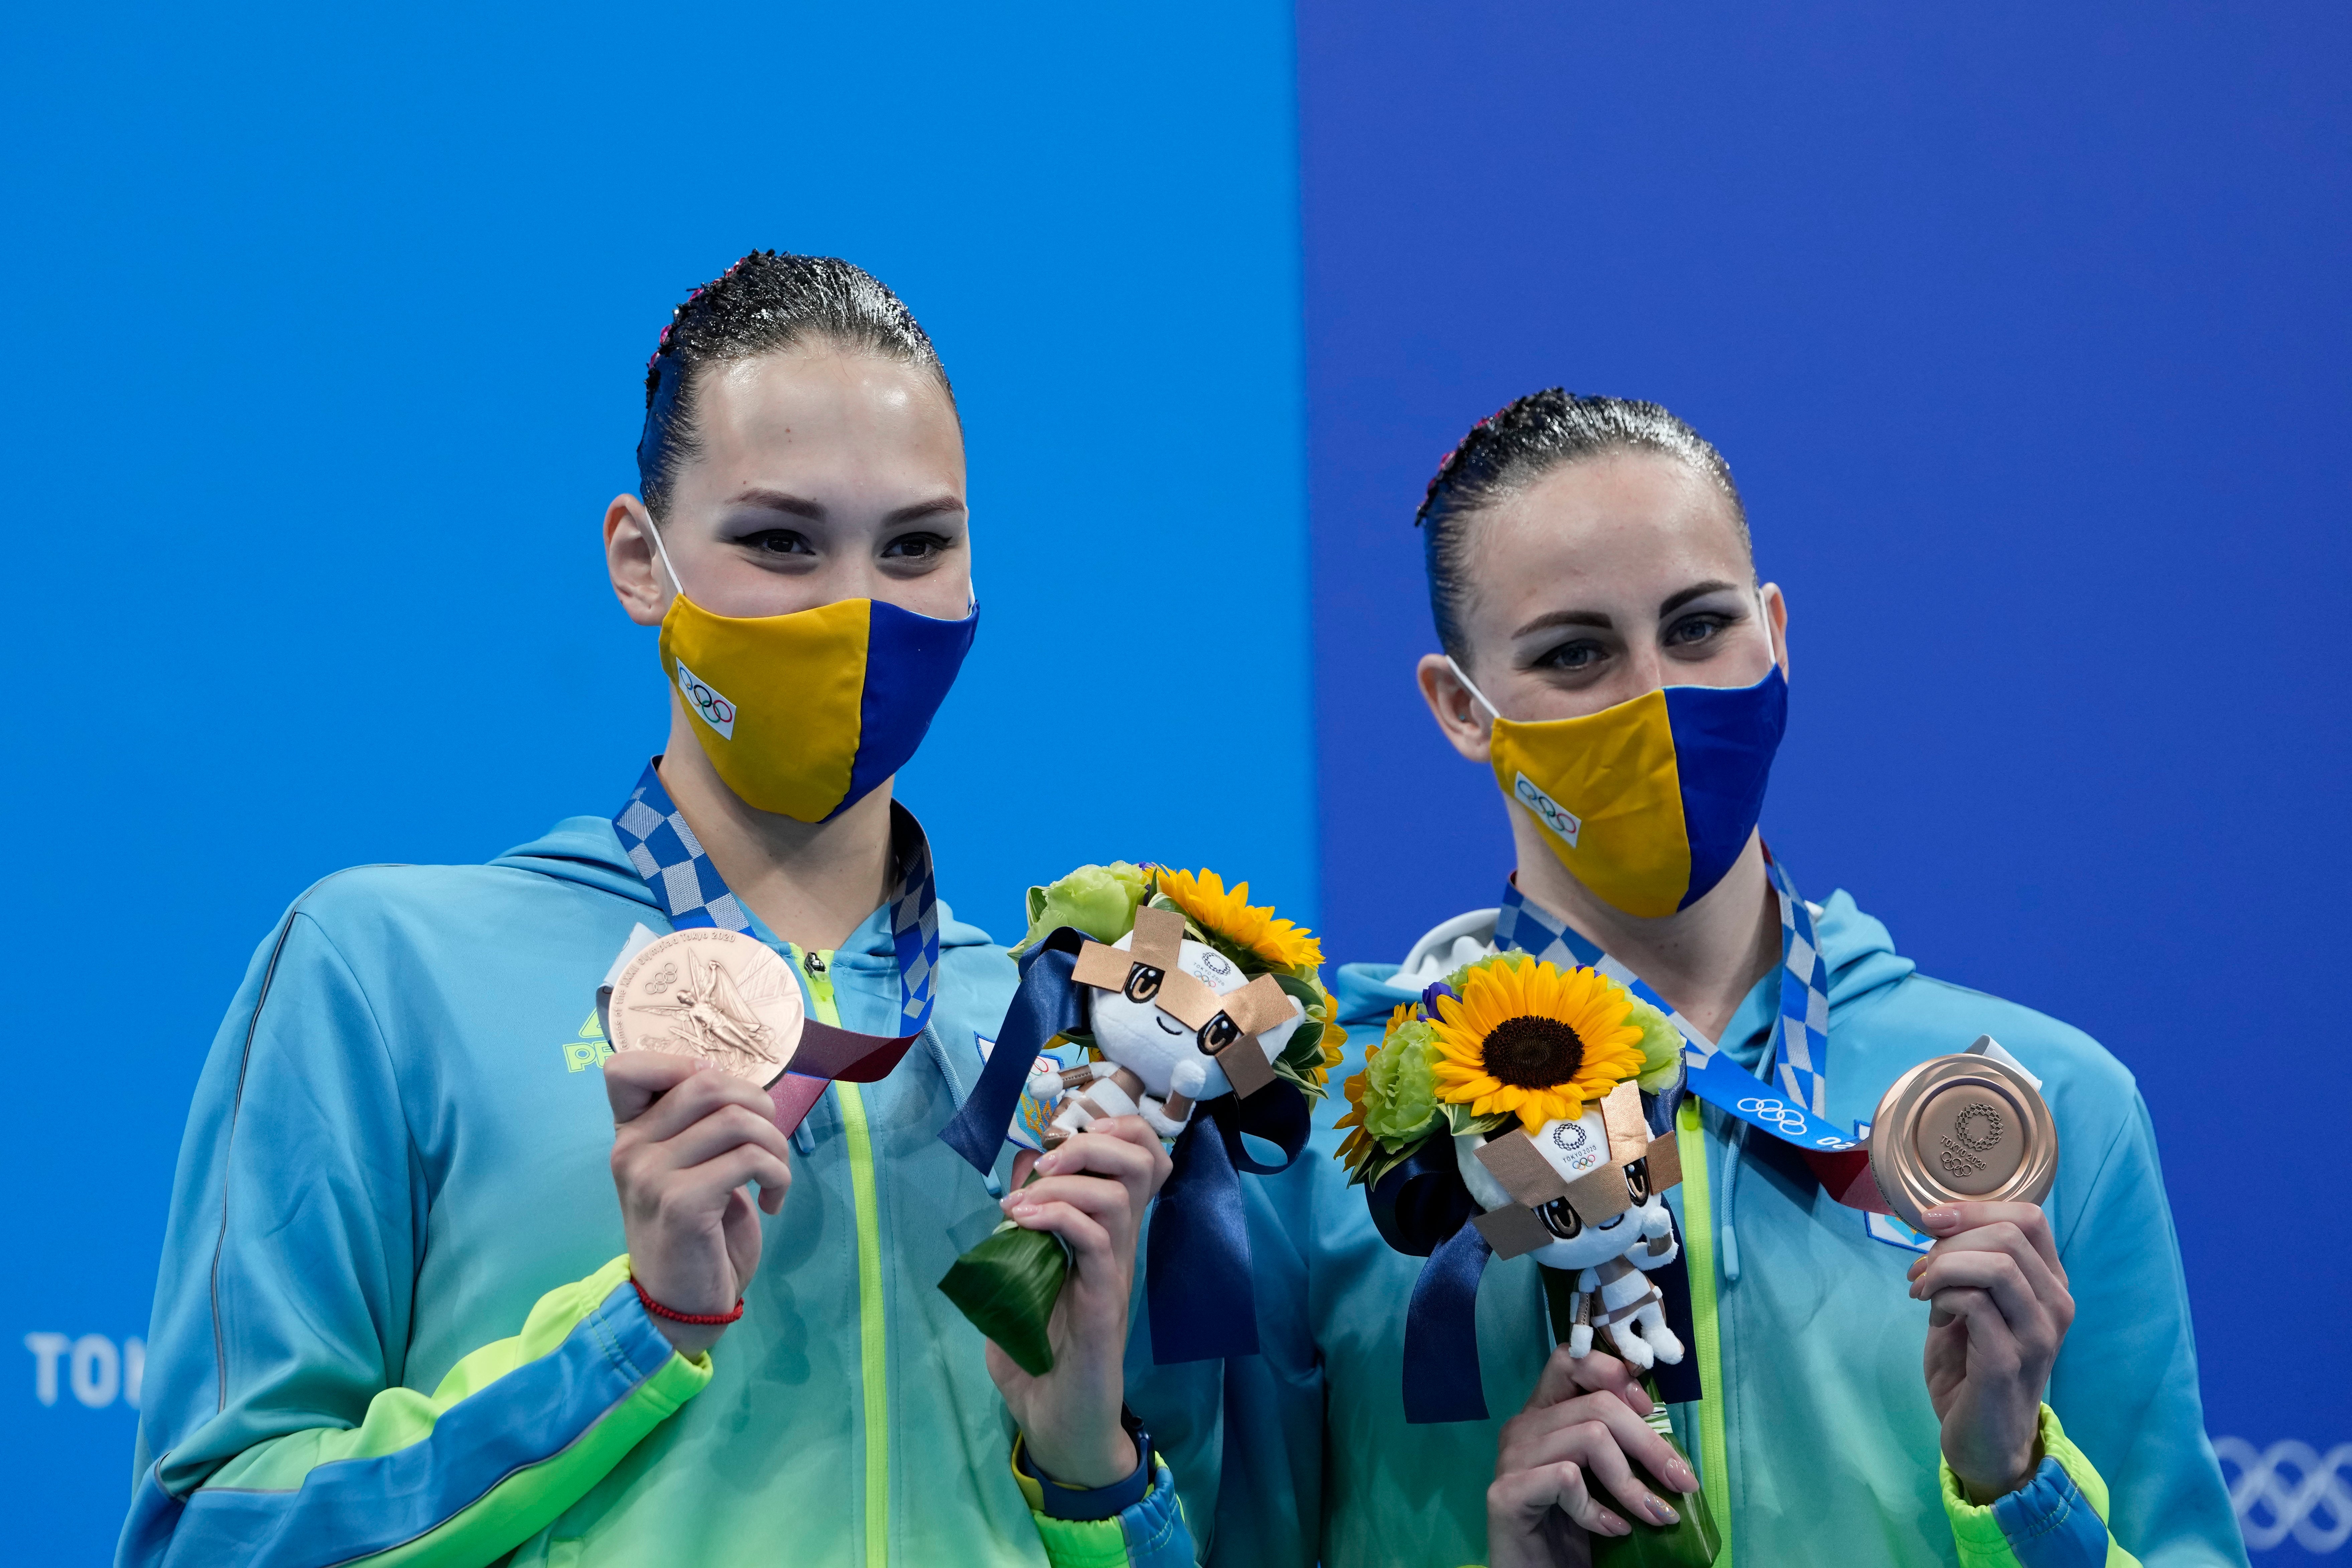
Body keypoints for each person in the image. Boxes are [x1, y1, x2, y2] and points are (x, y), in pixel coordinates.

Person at [119, 252, 1194, 1568]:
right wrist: (633, 1332)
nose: (857, 609)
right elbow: (206, 1537)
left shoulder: (1053, 1036)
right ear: (642, 561)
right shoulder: (387, 971)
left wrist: (1086, 1464)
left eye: (915, 544)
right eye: (780, 542)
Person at [1222, 391, 2246, 1567]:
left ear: (1775, 633)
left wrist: (2017, 1487)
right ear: (1464, 707)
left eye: (1700, 627)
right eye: (1575, 652)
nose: (1654, 693)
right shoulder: (1323, 1129)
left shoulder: (2045, 1104)